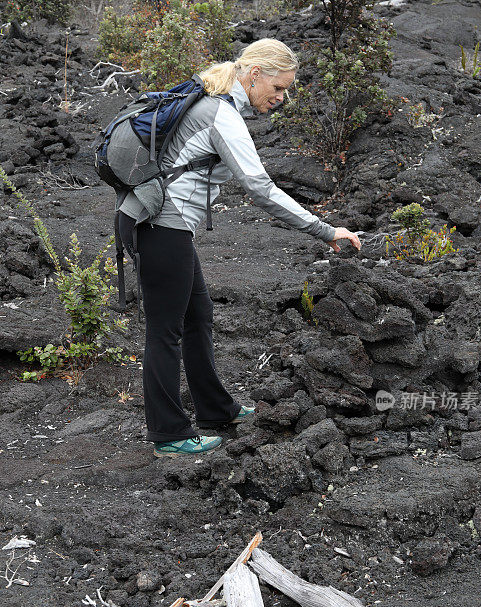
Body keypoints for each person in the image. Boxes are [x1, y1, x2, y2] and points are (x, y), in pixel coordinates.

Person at [117, 38, 361, 458]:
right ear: (254, 75)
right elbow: (259, 188)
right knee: (165, 331)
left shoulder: (214, 104)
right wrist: (326, 231)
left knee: (198, 317)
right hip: (160, 226)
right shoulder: (220, 114)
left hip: (164, 226)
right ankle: (168, 433)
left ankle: (215, 409)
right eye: (279, 87)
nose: (281, 98)